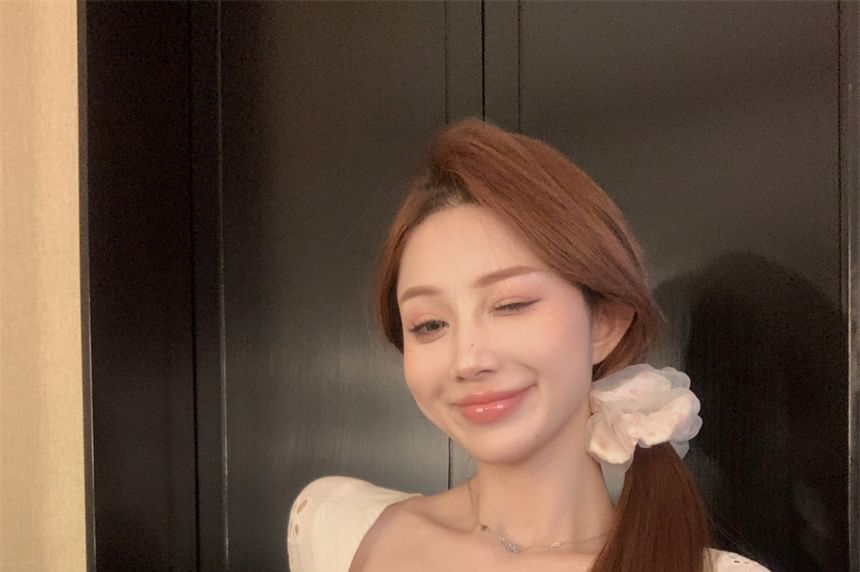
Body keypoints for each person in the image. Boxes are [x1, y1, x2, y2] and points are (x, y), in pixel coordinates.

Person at [287, 119, 770, 572]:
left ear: (605, 323)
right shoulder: (338, 530)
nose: (467, 360)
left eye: (511, 304)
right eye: (429, 324)